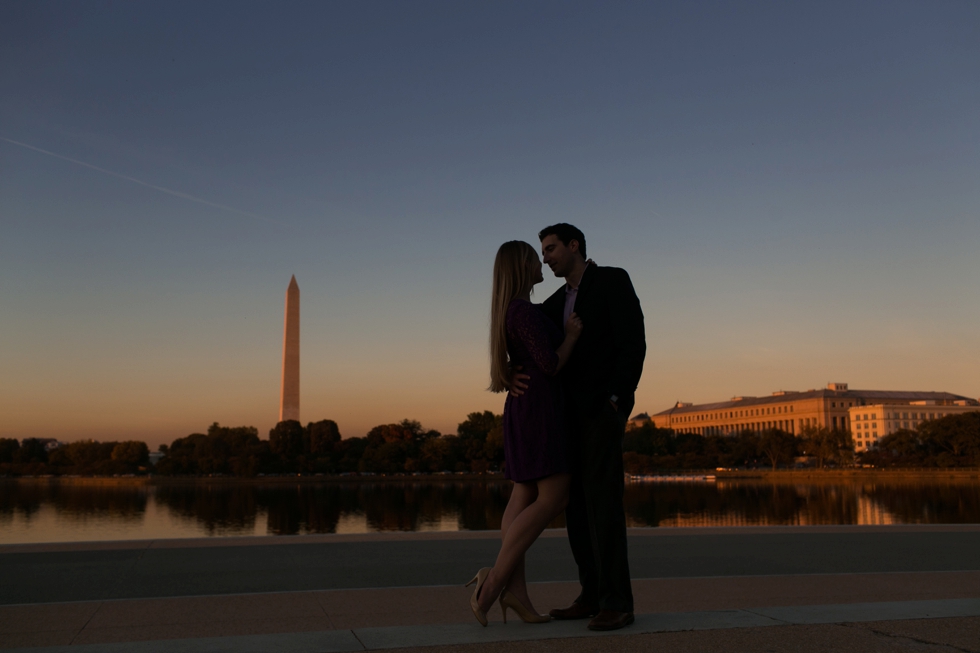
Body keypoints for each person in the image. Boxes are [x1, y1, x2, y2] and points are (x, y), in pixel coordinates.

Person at [512, 223, 646, 631]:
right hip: (565, 416)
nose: (546, 257)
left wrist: (616, 400)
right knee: (575, 509)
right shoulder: (554, 303)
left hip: (601, 412)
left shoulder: (611, 280)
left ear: (574, 245)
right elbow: (519, 331)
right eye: (543, 250)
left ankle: (618, 602)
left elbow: (633, 343)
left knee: (604, 504)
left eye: (551, 248)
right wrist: (506, 370)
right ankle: (590, 596)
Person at [467, 240, 584, 627]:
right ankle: (494, 584)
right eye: (536, 258)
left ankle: (517, 595)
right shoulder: (523, 313)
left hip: (525, 407)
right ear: (522, 267)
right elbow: (550, 364)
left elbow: (521, 361)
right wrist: (570, 335)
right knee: (554, 496)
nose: (542, 262)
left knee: (524, 492)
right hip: (540, 410)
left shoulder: (511, 311)